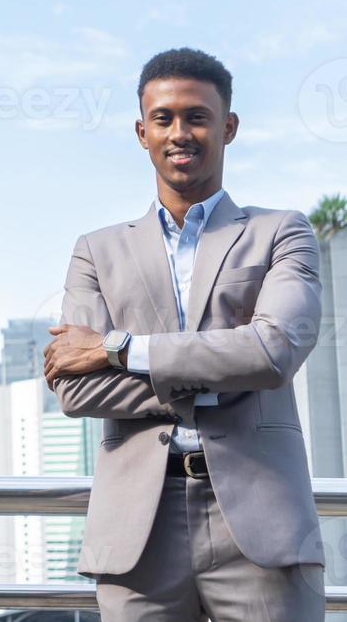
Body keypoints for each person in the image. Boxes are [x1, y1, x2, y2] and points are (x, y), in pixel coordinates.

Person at [44, 47, 324, 620]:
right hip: (138, 532)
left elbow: (272, 353)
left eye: (197, 116)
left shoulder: (281, 233)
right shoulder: (96, 250)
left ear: (229, 126)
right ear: (141, 131)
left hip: (262, 523)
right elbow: (76, 390)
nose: (181, 132)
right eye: (164, 118)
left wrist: (116, 349)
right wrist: (224, 370)